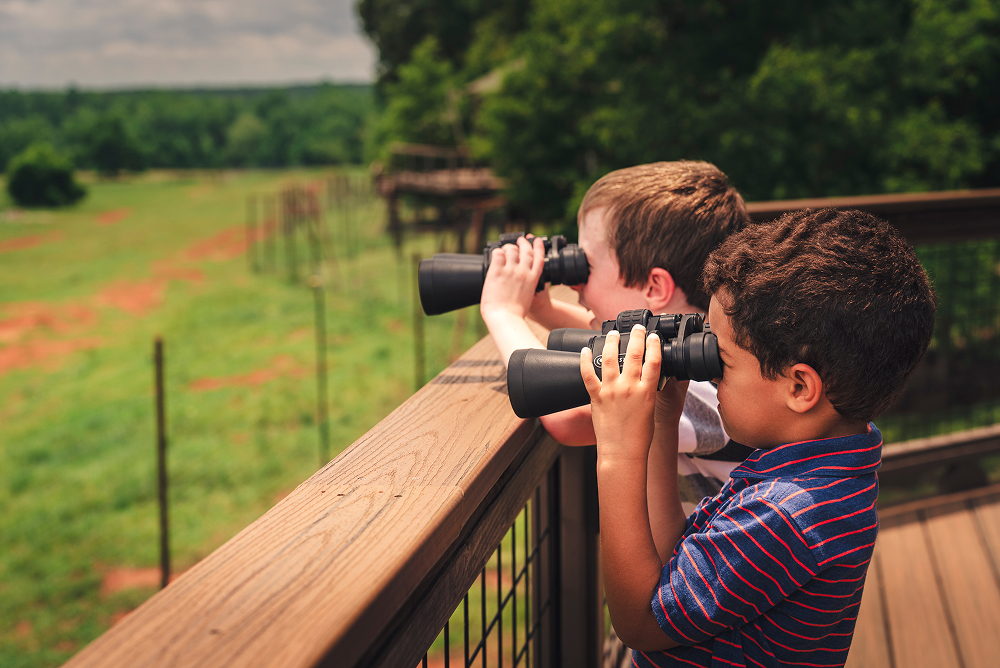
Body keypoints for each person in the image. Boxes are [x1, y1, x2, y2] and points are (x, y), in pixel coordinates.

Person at [581, 208, 936, 667]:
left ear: (800, 387)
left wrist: (618, 452)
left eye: (721, 359)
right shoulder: (824, 466)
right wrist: (662, 423)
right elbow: (674, 570)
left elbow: (639, 622)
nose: (709, 372)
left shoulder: (784, 513)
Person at [479, 161, 750, 524]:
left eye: (585, 266)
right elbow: (618, 342)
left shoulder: (705, 384)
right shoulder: (706, 344)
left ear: (654, 287)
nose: (575, 283)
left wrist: (504, 313)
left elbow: (568, 418)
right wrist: (541, 309)